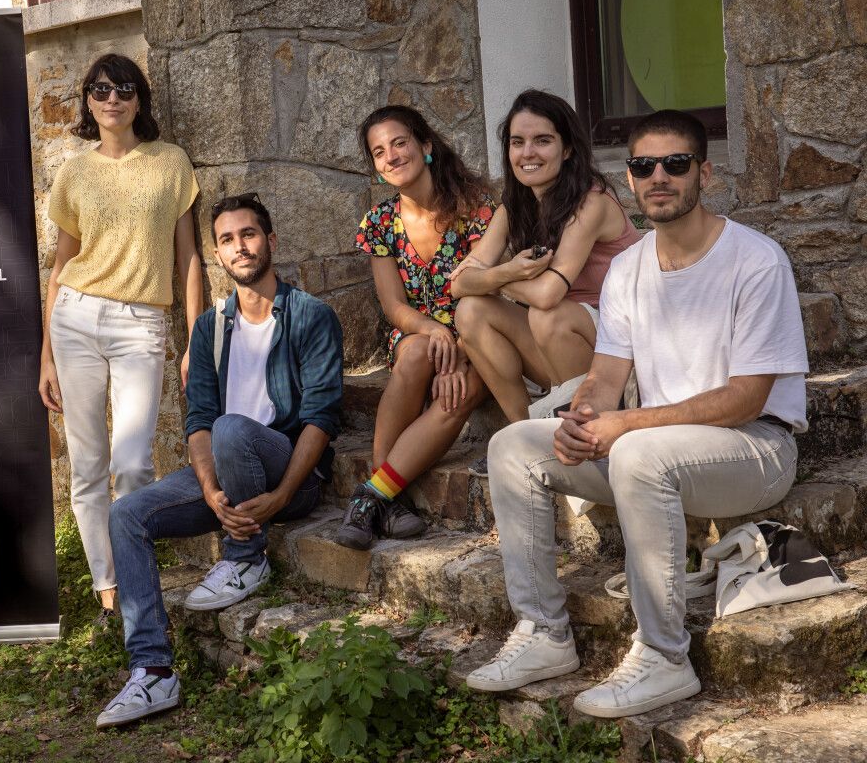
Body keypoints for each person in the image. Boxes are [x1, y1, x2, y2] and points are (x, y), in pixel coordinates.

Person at [462, 110, 808, 718]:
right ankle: (544, 634)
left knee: (640, 452)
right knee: (515, 446)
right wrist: (583, 413)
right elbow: (607, 375)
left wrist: (623, 424)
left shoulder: (756, 260)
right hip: (660, 452)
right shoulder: (628, 267)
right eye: (645, 165)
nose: (659, 177)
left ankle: (663, 657)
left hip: (755, 448)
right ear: (630, 177)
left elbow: (747, 398)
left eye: (676, 164)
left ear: (705, 172)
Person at [96, 193, 343, 728]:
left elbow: (321, 419)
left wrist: (281, 496)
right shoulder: (209, 328)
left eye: (249, 234)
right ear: (218, 255)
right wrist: (208, 489)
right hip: (228, 477)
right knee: (126, 513)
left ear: (271, 241)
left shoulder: (310, 317)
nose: (240, 247)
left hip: (288, 476)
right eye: (227, 240)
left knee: (235, 428)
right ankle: (153, 673)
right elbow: (199, 421)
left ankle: (245, 556)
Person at [38, 54, 204, 619]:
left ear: (139, 100)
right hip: (76, 320)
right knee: (87, 466)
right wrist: (46, 359)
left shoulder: (170, 164)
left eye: (124, 88)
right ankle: (110, 586)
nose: (112, 98)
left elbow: (189, 259)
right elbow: (60, 267)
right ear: (87, 100)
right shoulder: (74, 173)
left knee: (133, 462)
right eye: (101, 89)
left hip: (140, 324)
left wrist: (194, 339)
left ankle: (132, 563)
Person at [332, 105, 494, 550]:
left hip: (482, 334)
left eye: (399, 143)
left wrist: (459, 347)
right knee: (419, 351)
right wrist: (434, 332)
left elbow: (491, 292)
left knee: (455, 391)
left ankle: (373, 497)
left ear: (425, 146)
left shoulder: (474, 210)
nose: (391, 156)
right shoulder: (380, 223)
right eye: (379, 152)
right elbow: (392, 306)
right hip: (417, 332)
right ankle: (389, 498)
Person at [449, 90, 640, 459]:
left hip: (618, 354)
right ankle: (527, 437)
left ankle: (584, 430)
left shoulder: (591, 202)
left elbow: (548, 295)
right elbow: (459, 284)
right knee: (471, 311)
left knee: (548, 314)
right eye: (518, 142)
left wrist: (499, 277)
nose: (528, 153)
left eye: (543, 141)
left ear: (567, 149)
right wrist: (507, 271)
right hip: (560, 342)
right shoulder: (515, 204)